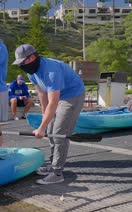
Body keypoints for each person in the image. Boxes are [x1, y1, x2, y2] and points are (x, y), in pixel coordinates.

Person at [12, 44, 85, 185]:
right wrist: (44, 123)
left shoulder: (51, 71)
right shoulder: (31, 72)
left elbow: (53, 102)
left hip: (72, 95)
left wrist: (40, 128)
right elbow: (42, 94)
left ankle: (57, 172)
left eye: (23, 62)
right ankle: (52, 164)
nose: (21, 65)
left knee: (58, 133)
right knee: (51, 131)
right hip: (57, 95)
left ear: (32, 57)